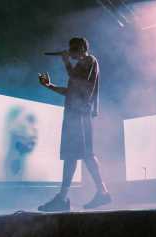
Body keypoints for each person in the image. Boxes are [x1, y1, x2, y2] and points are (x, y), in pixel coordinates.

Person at [37, 37, 111, 212]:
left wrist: (66, 63)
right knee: (77, 155)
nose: (71, 52)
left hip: (79, 114)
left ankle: (95, 193)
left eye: (74, 49)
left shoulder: (89, 61)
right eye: (70, 49)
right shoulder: (80, 65)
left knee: (83, 154)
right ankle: (93, 194)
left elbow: (78, 83)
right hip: (74, 113)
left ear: (83, 48)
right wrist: (49, 86)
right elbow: (71, 91)